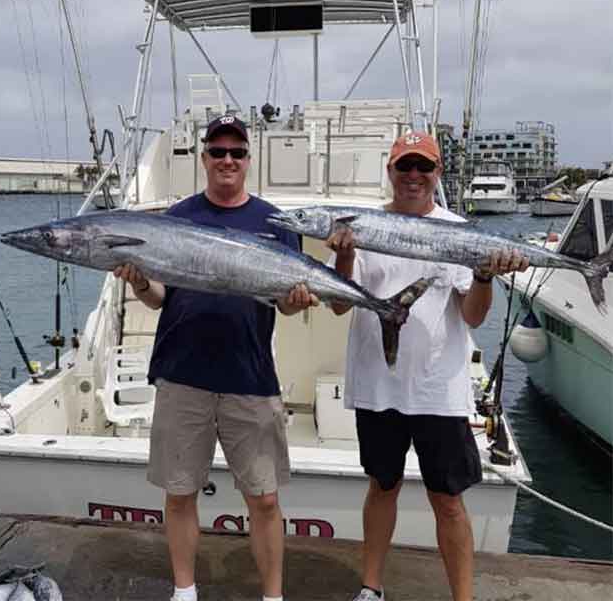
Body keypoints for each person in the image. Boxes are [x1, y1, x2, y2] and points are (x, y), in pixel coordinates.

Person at [114, 114, 317, 601]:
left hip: (250, 375)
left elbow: (285, 303)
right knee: (179, 492)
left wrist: (300, 298)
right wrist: (139, 281)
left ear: (248, 160)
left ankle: (273, 596)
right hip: (183, 374)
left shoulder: (275, 224)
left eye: (237, 152)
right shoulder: (176, 218)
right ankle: (185, 591)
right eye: (218, 151)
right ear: (204, 158)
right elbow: (159, 296)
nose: (228, 160)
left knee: (264, 499)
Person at [327, 131, 529, 601]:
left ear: (438, 173)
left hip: (439, 390)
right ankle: (370, 588)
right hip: (378, 386)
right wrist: (344, 256)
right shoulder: (361, 227)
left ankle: (464, 598)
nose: (414, 176)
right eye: (405, 167)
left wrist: (483, 273)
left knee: (448, 500)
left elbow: (474, 315)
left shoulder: (460, 230)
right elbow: (339, 307)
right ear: (391, 172)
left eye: (424, 167)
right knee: (382, 486)